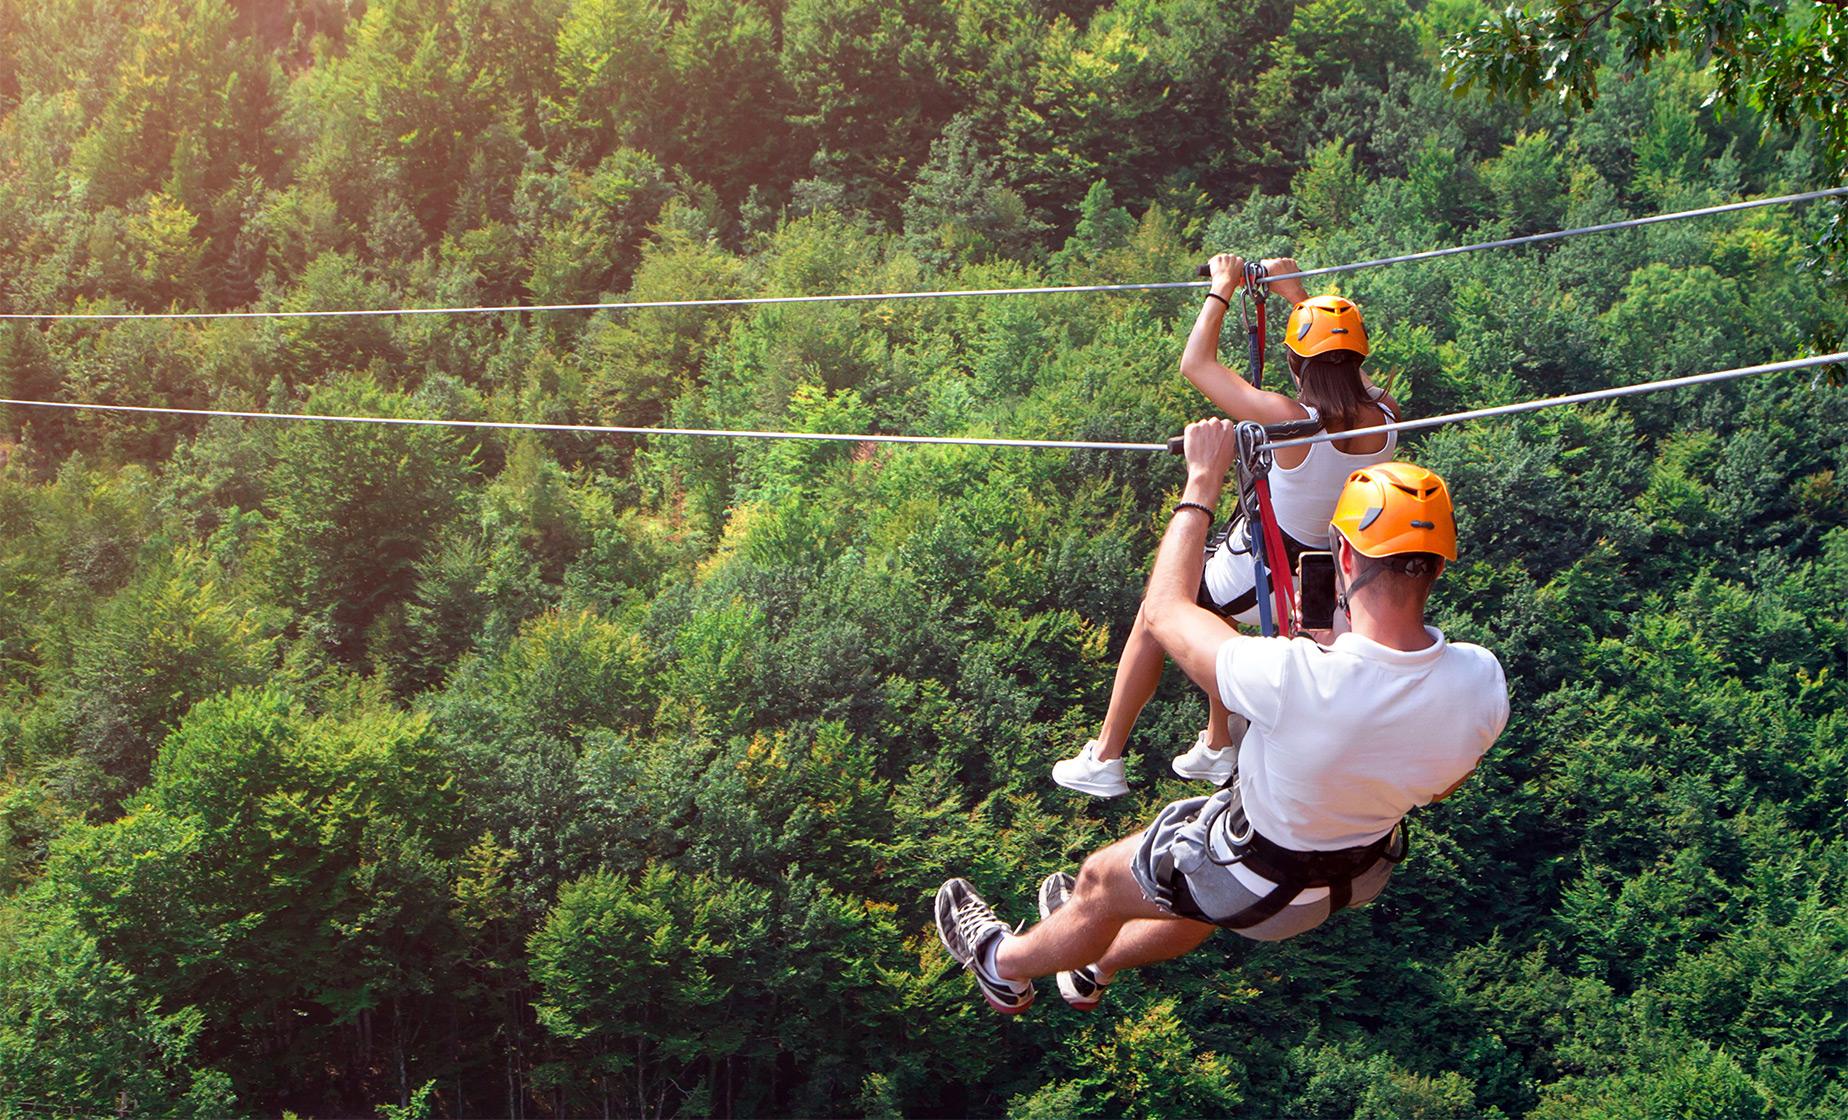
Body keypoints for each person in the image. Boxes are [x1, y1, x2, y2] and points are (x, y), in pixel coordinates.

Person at [937, 419, 1508, 1014]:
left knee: (1100, 883)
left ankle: (1000, 965)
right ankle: (1093, 967)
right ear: (1439, 566)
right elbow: (1442, 784)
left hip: (1255, 875)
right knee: (1193, 896)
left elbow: (1164, 611)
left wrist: (1201, 483)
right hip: (1351, 876)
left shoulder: (1292, 675)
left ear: (1341, 552)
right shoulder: (1481, 681)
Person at [1052, 255, 1403, 798]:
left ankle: (1106, 756)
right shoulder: (1387, 415)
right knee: (1216, 611)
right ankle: (1219, 744)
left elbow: (1196, 364)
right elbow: (1345, 369)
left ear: (1294, 360)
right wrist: (1296, 296)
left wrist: (1221, 287)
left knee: (1157, 610)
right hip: (1325, 576)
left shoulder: (1288, 420)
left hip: (1268, 568)